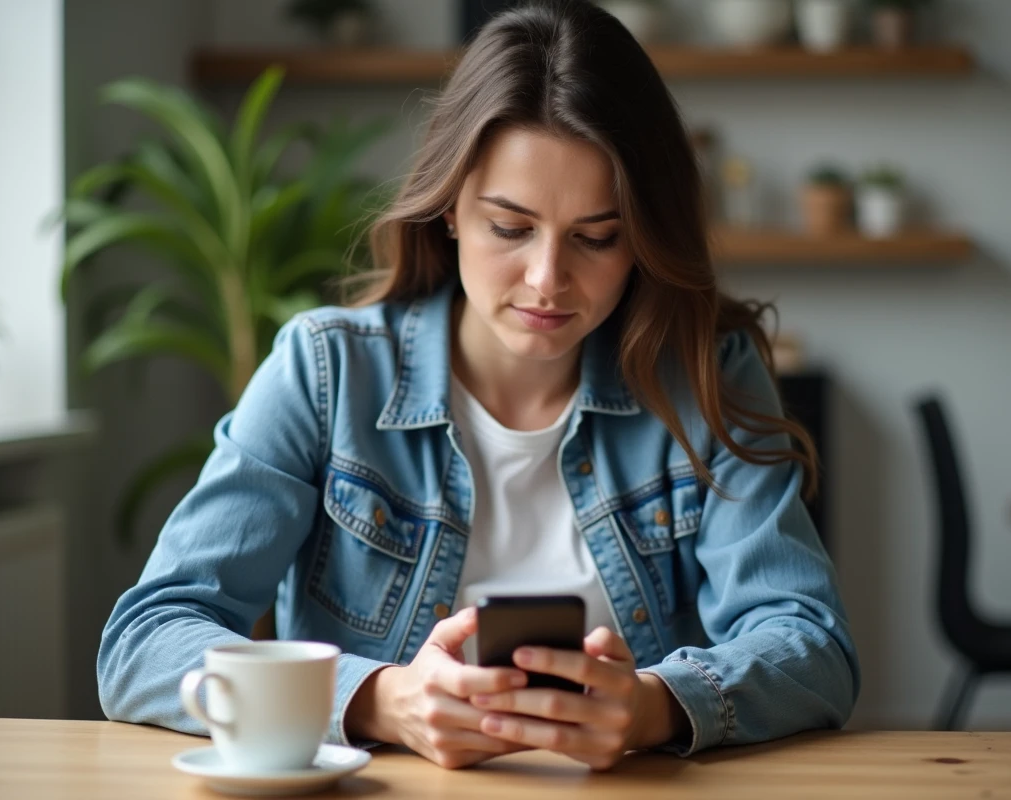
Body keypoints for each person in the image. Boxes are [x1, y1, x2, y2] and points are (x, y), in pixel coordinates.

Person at [98, 0, 859, 771]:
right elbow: (145, 640)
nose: (548, 279)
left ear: (643, 237)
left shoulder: (707, 374)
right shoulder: (326, 373)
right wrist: (379, 700)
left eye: (598, 237)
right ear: (451, 208)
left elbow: (812, 643)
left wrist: (651, 707)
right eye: (510, 227)